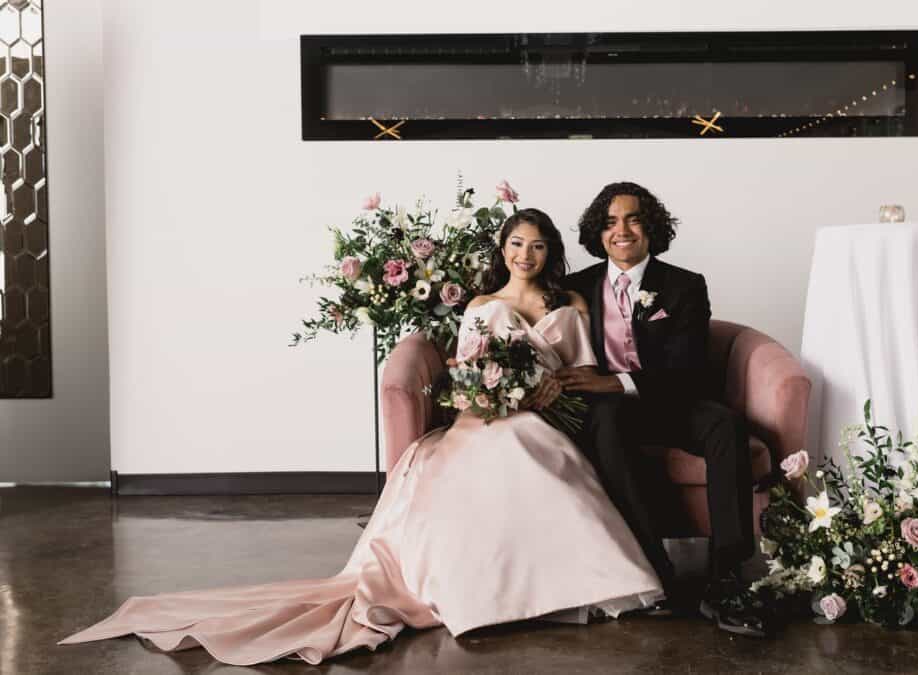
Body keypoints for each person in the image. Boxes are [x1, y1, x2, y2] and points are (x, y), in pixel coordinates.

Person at [58, 208, 663, 666]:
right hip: (488, 415)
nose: (525, 253)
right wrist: (491, 395)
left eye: (536, 245)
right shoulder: (480, 304)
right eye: (515, 243)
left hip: (546, 414)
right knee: (495, 456)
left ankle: (577, 587)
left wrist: (548, 392)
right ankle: (485, 596)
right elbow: (465, 373)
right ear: (502, 249)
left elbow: (583, 373)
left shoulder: (571, 304)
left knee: (543, 453)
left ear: (550, 252)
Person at [558, 182, 766, 637]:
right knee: (608, 422)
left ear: (651, 228)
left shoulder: (685, 285)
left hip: (671, 400)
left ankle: (727, 577)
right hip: (608, 412)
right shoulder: (576, 288)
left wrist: (618, 381)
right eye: (610, 222)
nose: (622, 230)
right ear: (599, 232)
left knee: (724, 425)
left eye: (633, 219)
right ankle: (654, 570)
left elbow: (687, 365)